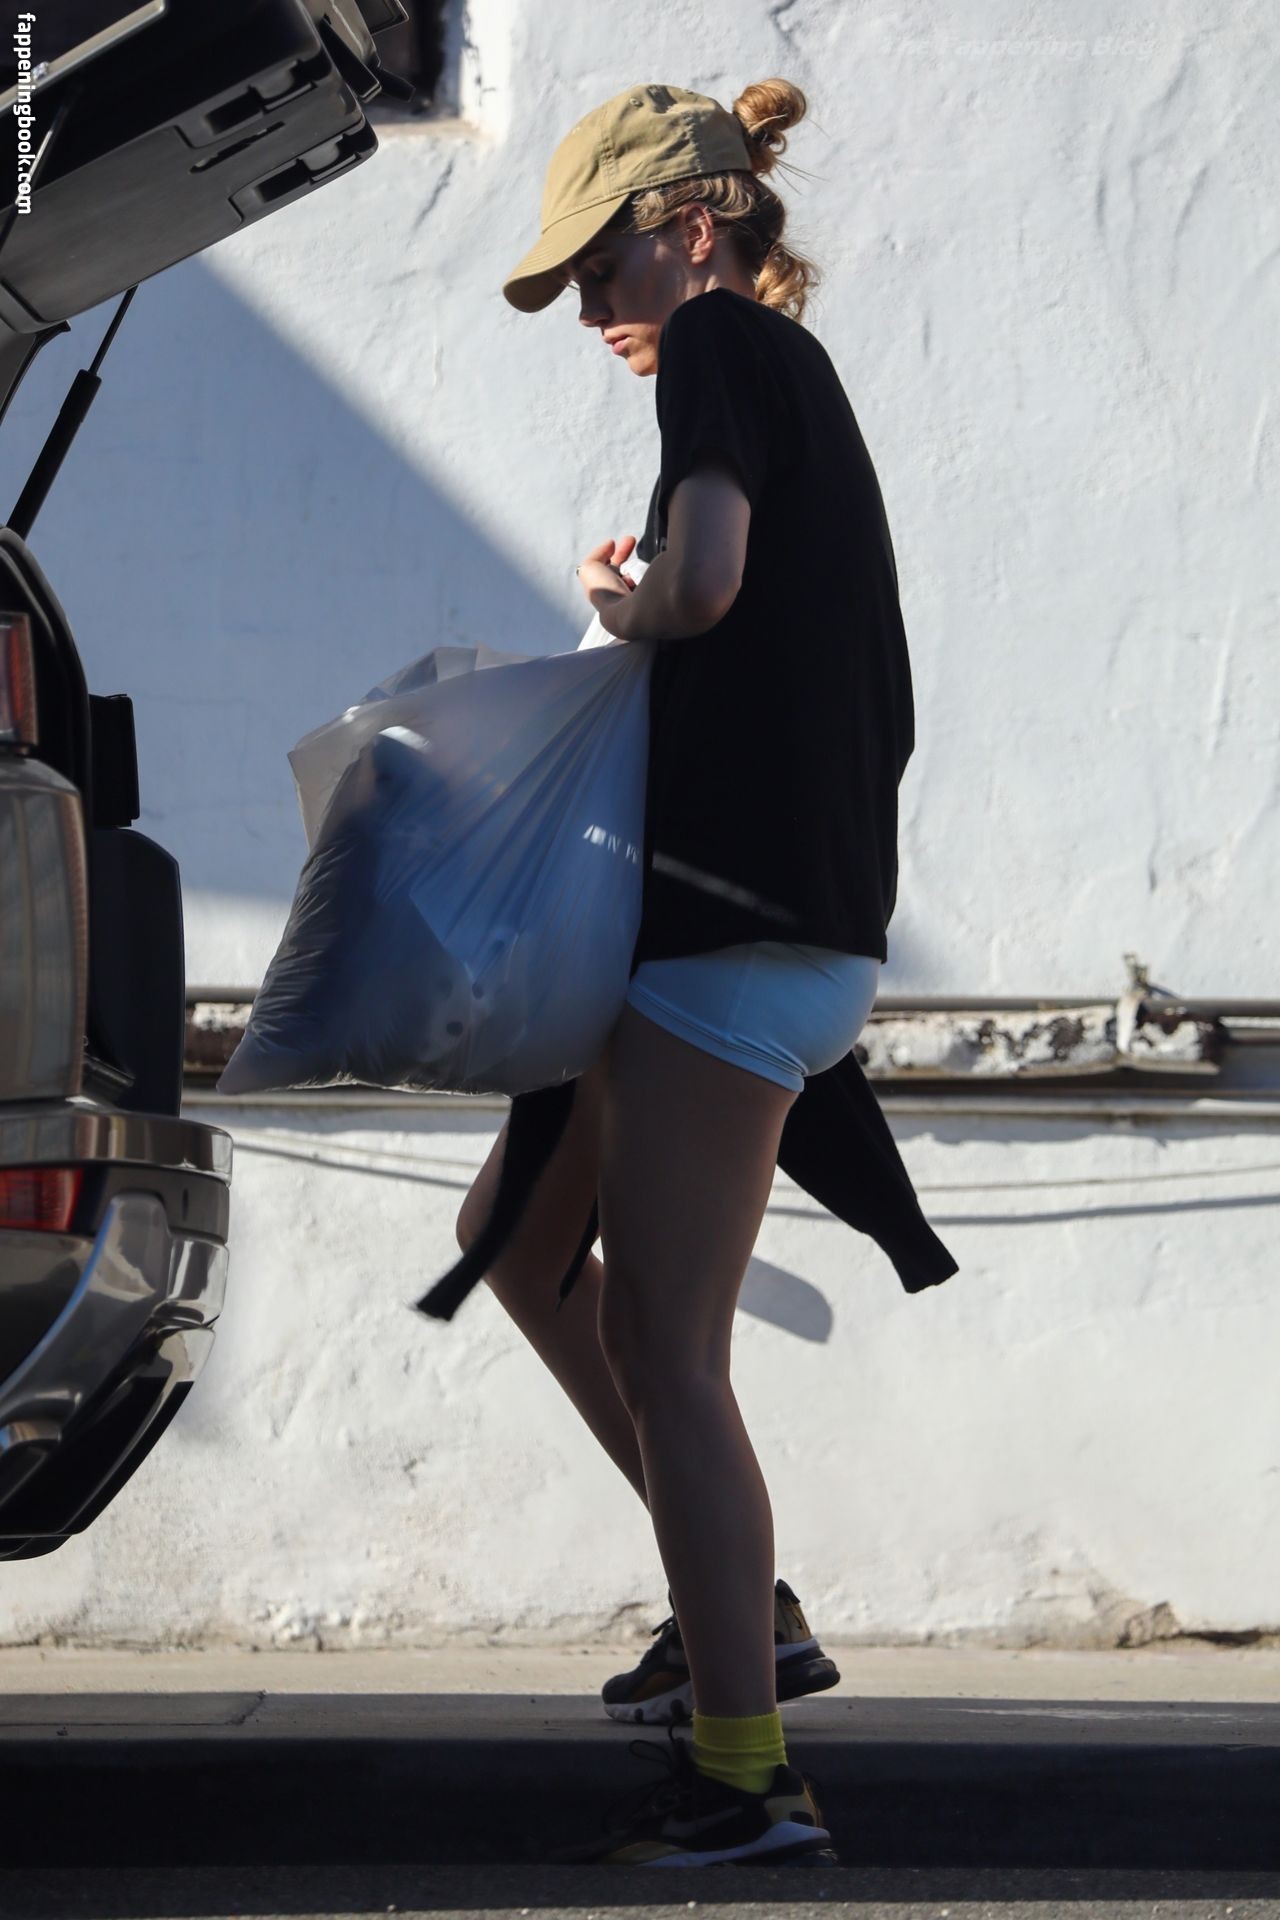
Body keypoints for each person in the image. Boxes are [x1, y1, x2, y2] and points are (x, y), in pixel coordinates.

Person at [440, 78, 957, 1868]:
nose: (591, 309)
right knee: (515, 1241)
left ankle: (747, 1773)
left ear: (691, 224)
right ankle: (743, 1616)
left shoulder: (729, 343)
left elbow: (711, 584)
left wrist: (626, 599)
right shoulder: (776, 372)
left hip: (737, 933)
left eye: (601, 266)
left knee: (665, 1342)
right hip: (760, 924)